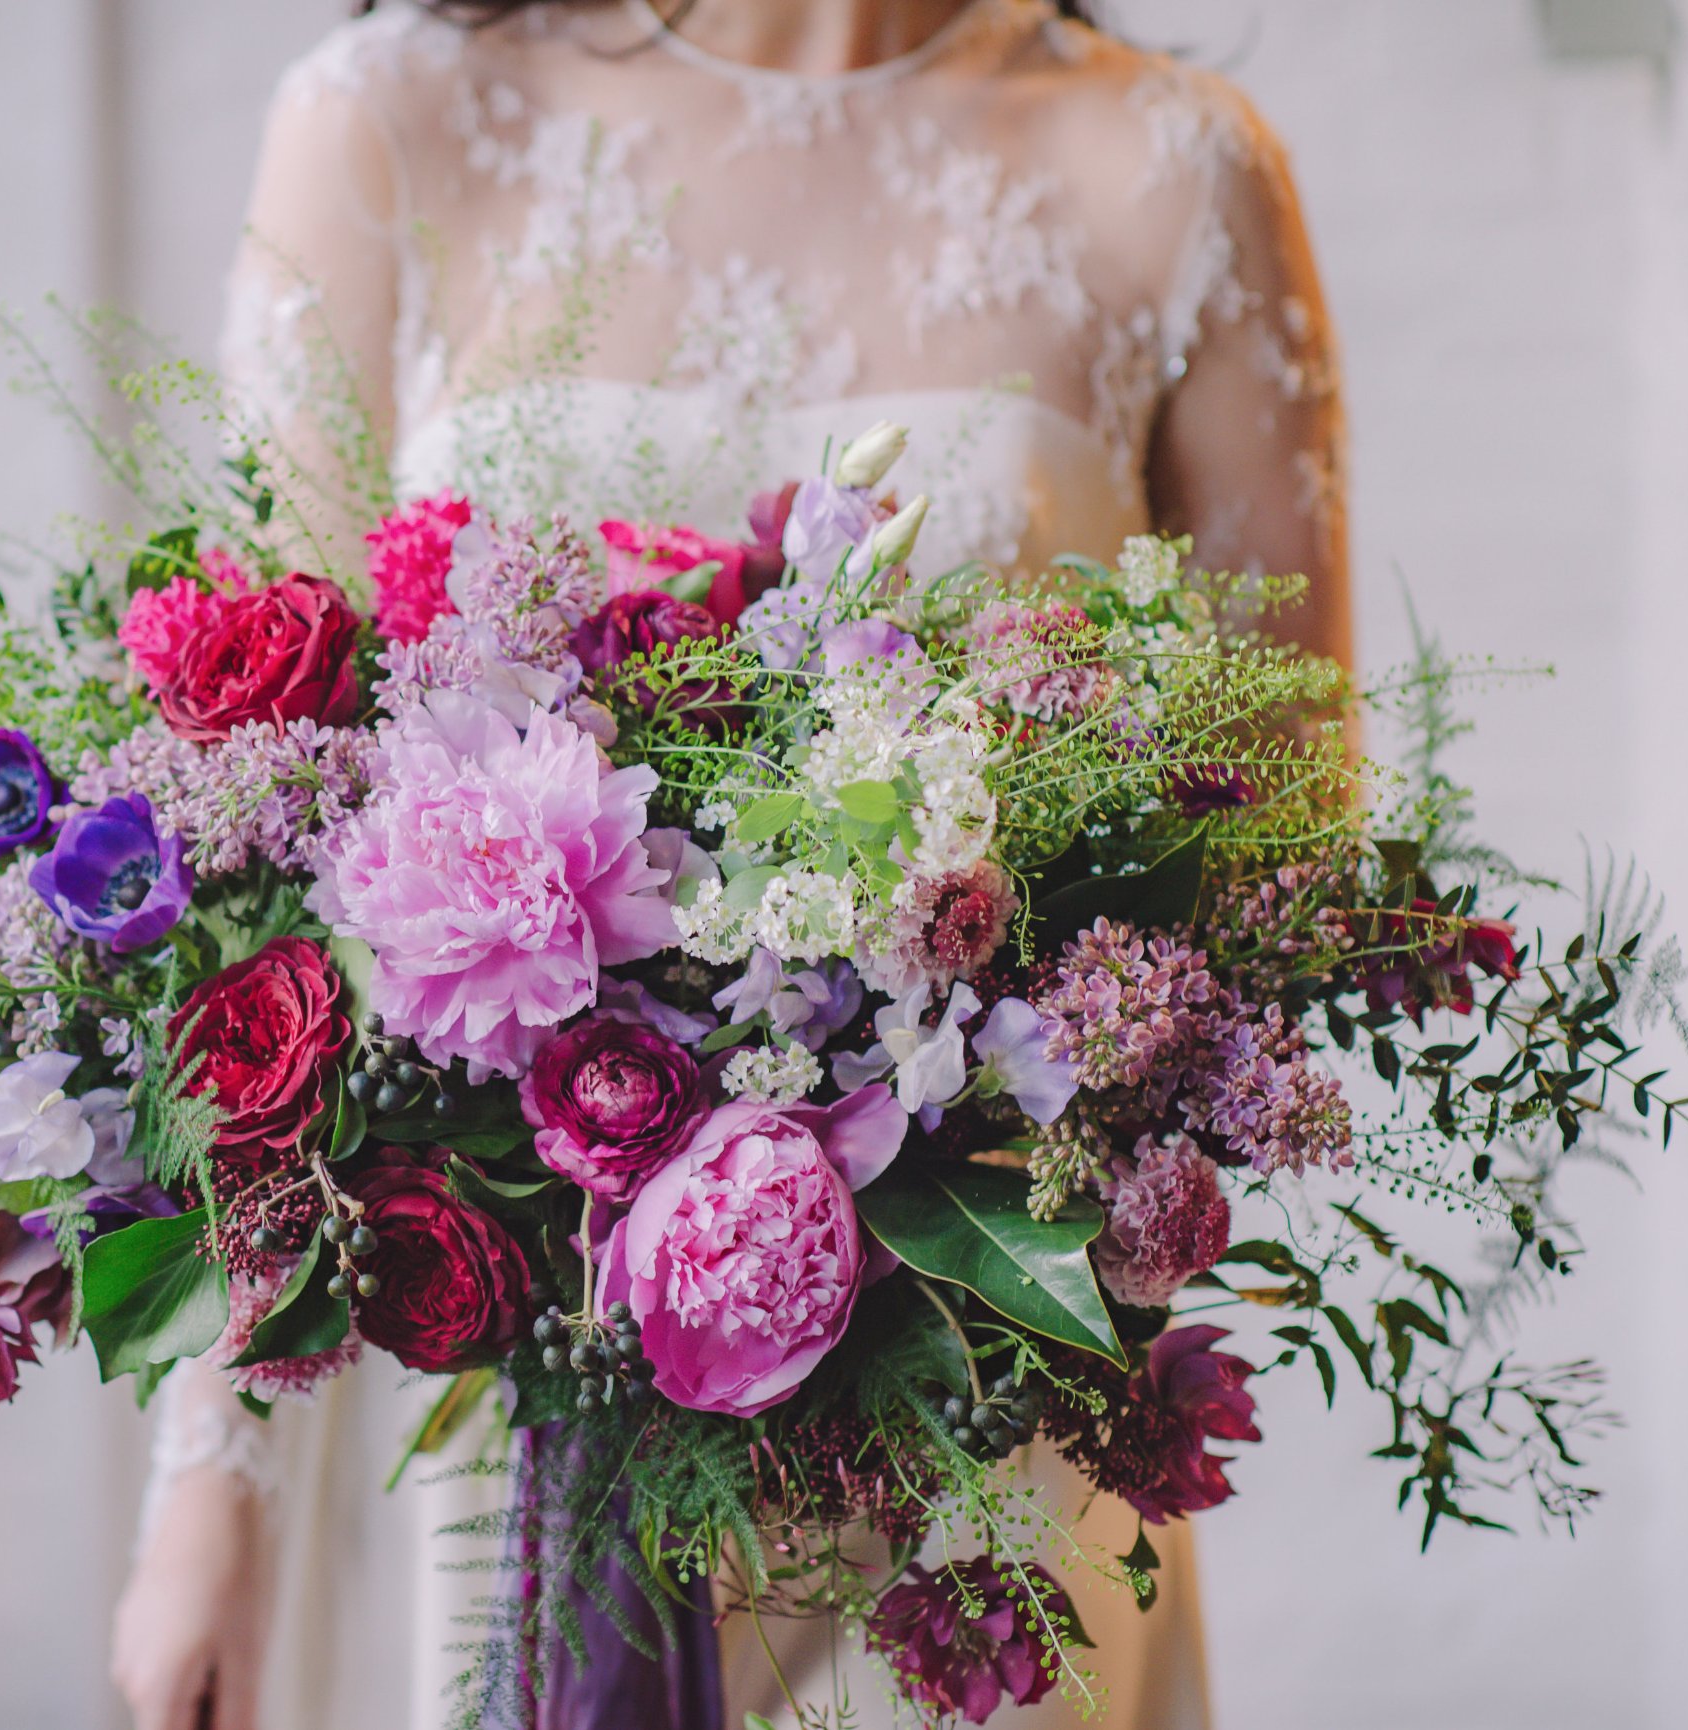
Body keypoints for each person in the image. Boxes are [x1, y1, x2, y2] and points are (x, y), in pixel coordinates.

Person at [111, 2, 1348, 1726]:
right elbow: (245, 864)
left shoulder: (1172, 167)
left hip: (976, 1479)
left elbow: (1278, 883)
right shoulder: (390, 119)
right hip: (513, 1451)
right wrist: (210, 1496)